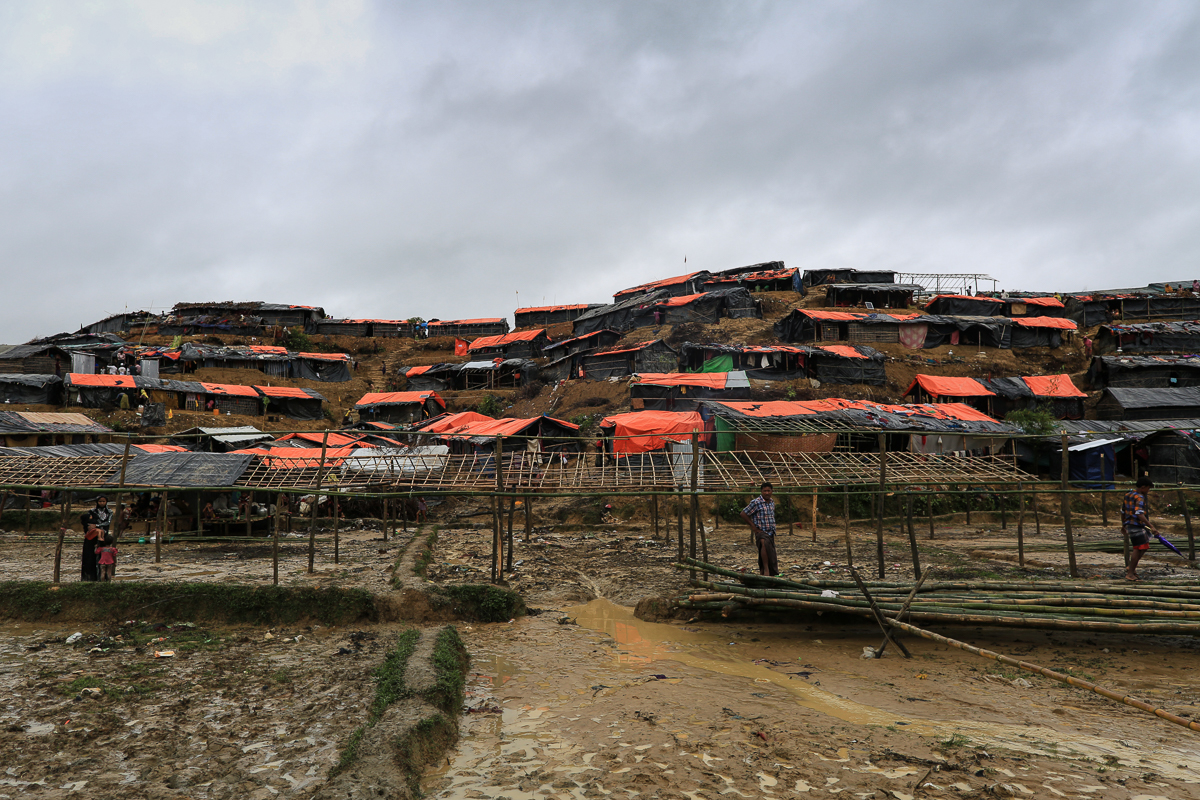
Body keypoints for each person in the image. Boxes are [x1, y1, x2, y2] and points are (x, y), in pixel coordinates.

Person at [740, 482, 778, 576]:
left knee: (771, 553)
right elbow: (743, 513)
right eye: (764, 491)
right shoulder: (756, 502)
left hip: (771, 531)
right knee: (764, 545)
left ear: (772, 491)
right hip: (761, 531)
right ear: (761, 492)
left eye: (768, 490)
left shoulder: (772, 502)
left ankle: (767, 572)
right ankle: (766, 570)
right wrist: (753, 526)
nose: (767, 493)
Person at [1123, 477, 1155, 581]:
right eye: (1148, 489)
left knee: (1144, 546)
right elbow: (1139, 514)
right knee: (1138, 548)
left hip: (1130, 524)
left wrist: (1123, 524)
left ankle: (1131, 567)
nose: (1148, 491)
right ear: (1143, 487)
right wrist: (1151, 526)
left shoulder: (1128, 494)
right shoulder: (1140, 497)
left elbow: (1123, 511)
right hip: (1136, 525)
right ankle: (1130, 573)